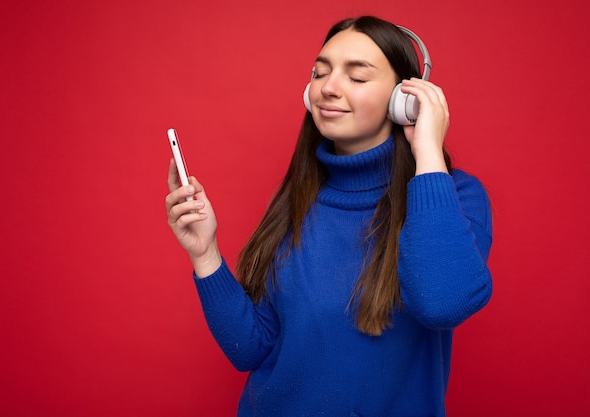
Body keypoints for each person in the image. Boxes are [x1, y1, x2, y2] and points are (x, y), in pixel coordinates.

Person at [165, 15, 492, 417]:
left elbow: (441, 304)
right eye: (320, 73)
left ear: (404, 101)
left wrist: (426, 149)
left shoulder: (455, 196)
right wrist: (205, 254)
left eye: (357, 77)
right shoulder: (296, 201)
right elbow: (252, 348)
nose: (328, 88)